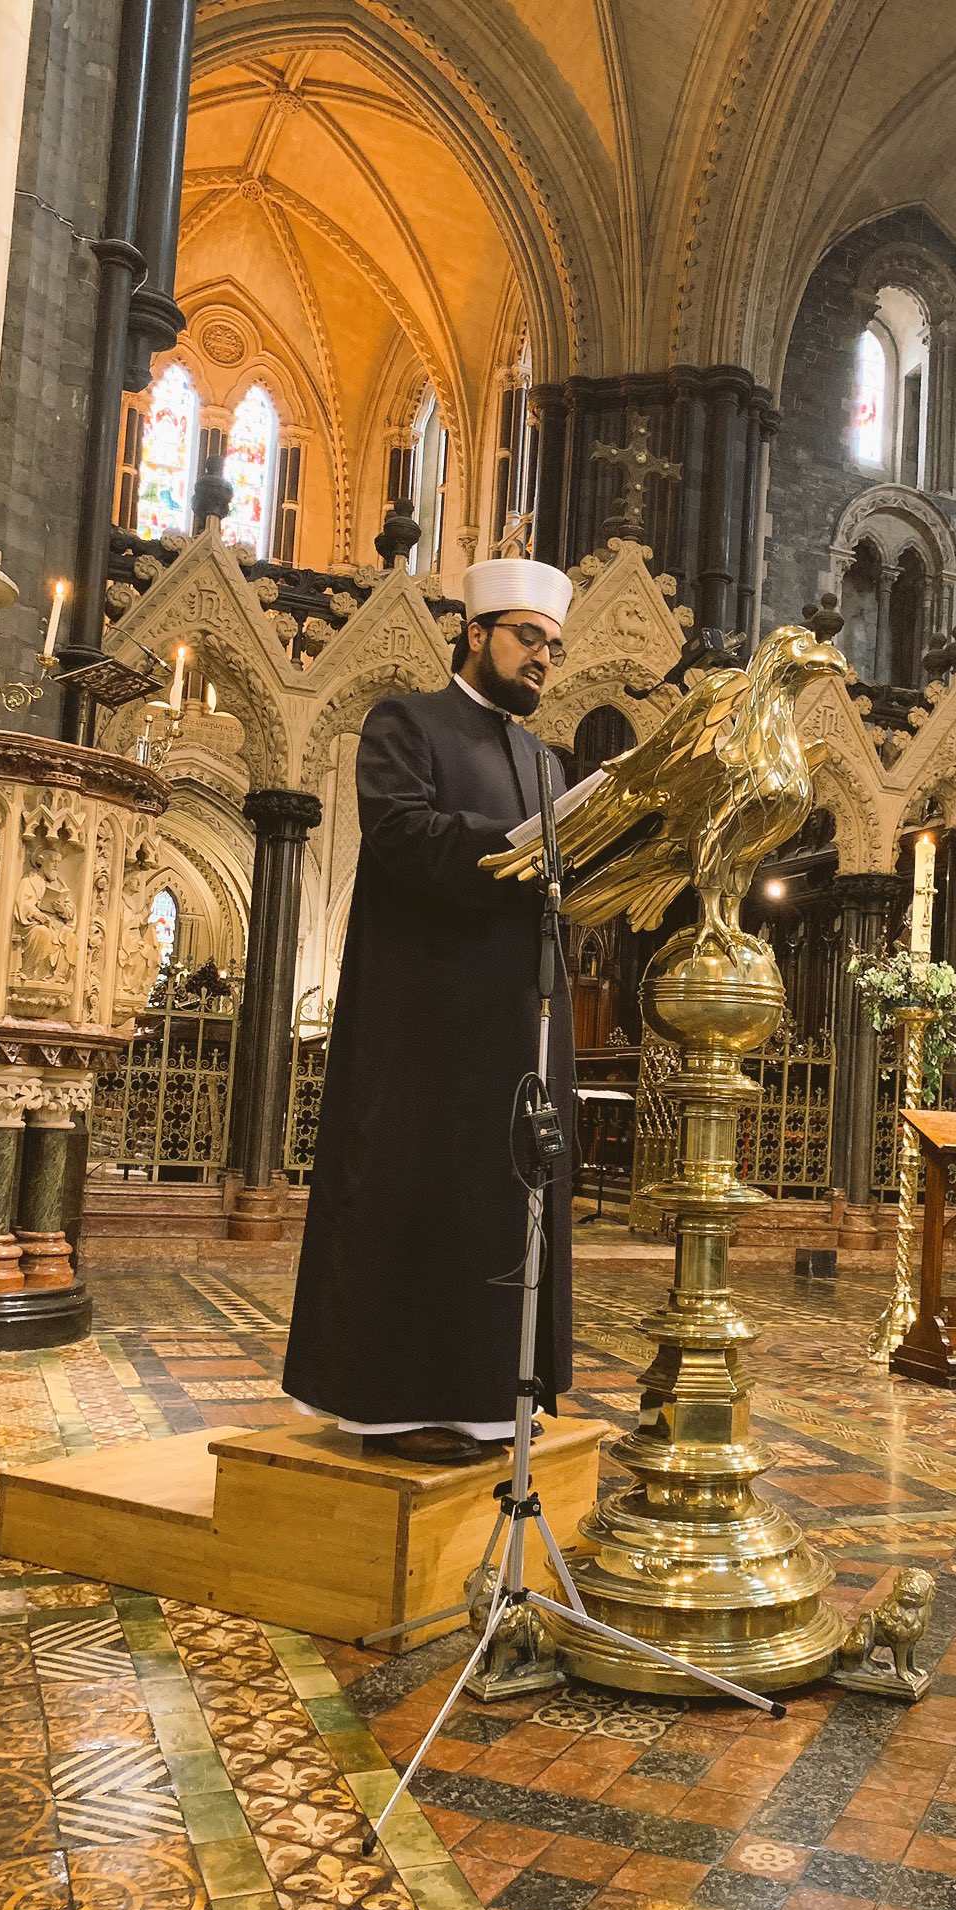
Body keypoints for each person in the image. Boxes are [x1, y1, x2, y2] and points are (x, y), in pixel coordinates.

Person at [283, 557, 576, 1464]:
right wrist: (528, 846)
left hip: (521, 1022)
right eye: (529, 638)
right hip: (425, 1027)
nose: (542, 660)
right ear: (476, 633)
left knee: (508, 1198)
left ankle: (501, 1398)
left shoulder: (546, 758)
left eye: (554, 648)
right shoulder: (406, 721)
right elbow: (401, 833)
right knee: (424, 1195)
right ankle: (395, 1402)